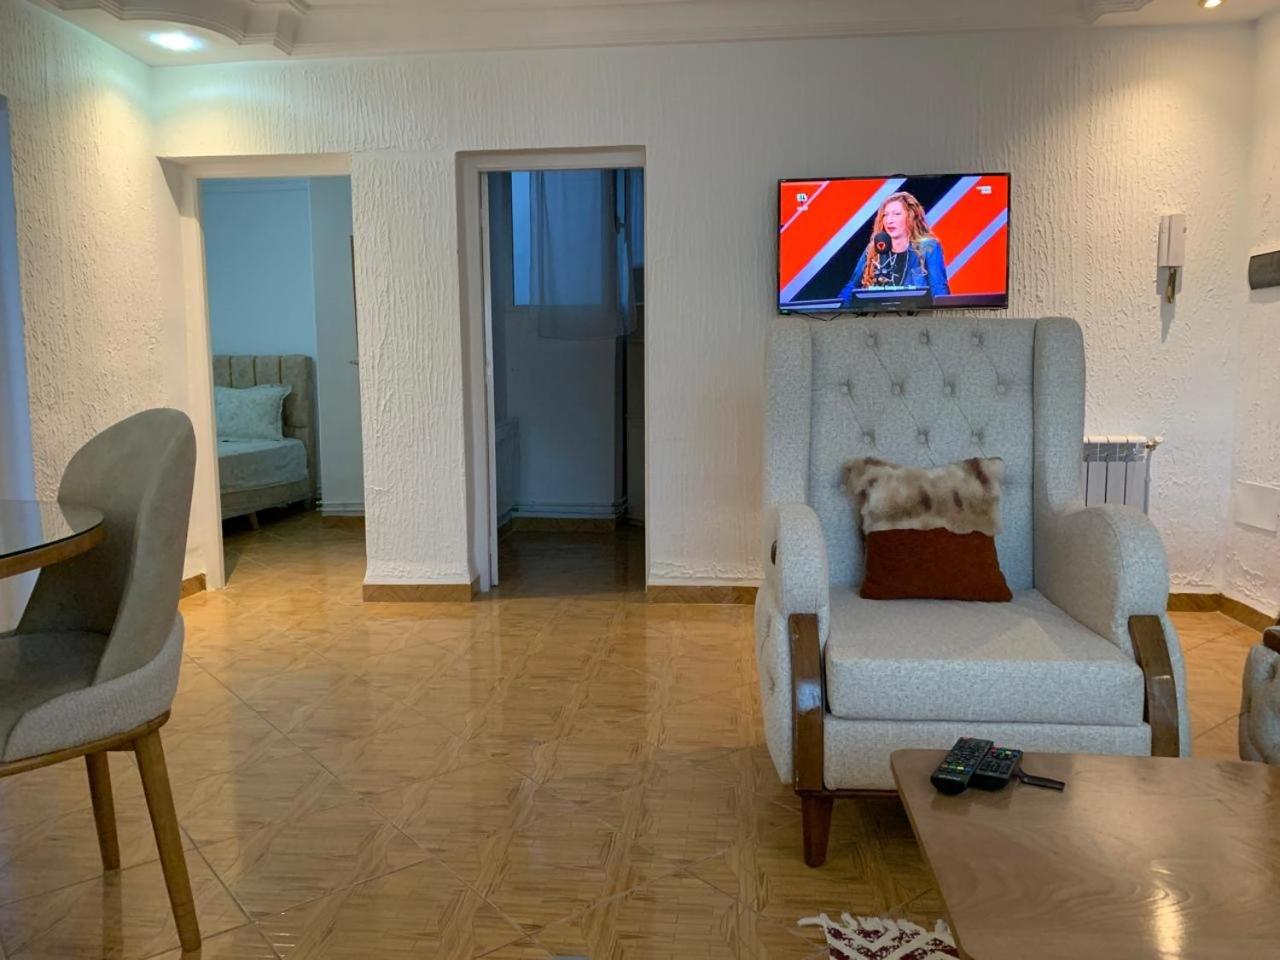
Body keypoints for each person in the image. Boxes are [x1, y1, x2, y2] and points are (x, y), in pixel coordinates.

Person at [839, 191, 950, 302]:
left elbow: (939, 288)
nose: (889, 220)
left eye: (897, 214)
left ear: (911, 217)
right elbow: (851, 287)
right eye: (885, 215)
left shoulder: (928, 247)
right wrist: (837, 308)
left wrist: (943, 310)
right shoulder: (873, 248)